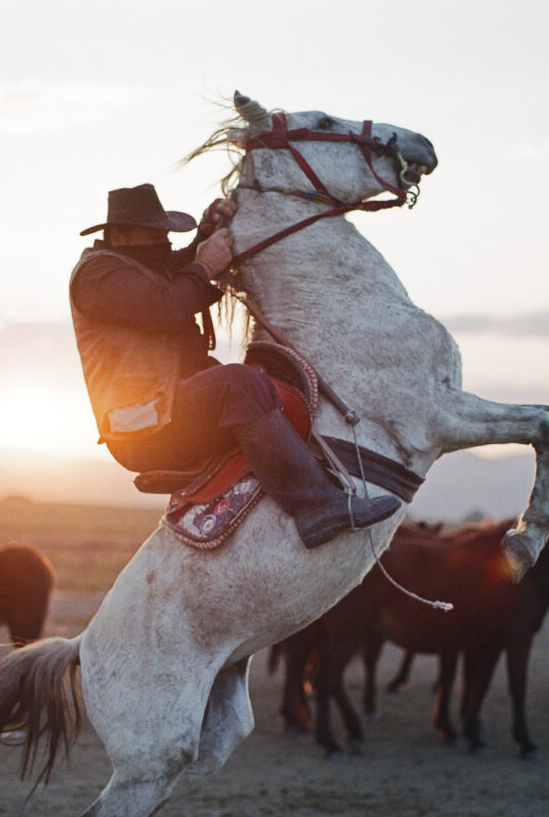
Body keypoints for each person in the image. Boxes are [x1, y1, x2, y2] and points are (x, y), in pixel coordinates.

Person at [68, 183, 400, 549]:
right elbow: (165, 304)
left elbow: (172, 271)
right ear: (121, 235)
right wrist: (206, 262)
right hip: (145, 429)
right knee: (238, 385)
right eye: (154, 235)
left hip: (163, 412)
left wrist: (205, 234)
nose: (164, 243)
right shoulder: (98, 276)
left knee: (259, 383)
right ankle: (316, 506)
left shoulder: (129, 267)